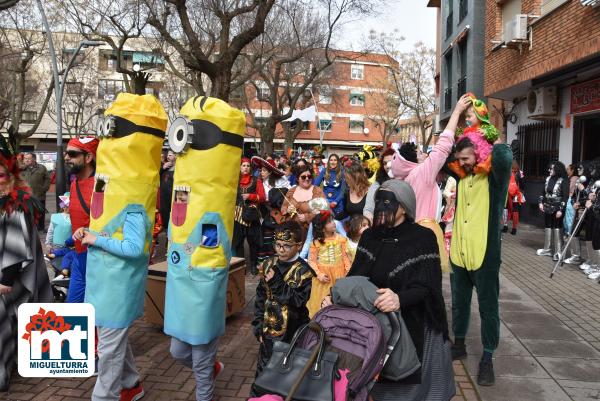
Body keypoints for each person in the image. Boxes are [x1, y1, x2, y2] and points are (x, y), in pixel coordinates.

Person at [325, 179, 454, 400]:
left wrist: (399, 299)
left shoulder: (422, 238)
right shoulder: (369, 236)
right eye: (378, 201)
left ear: (404, 207)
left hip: (413, 324)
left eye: (388, 202)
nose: (381, 207)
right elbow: (355, 275)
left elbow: (429, 286)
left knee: (409, 390)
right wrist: (333, 297)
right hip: (372, 326)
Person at [82, 93, 168, 401]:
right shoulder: (114, 195)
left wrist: (95, 238)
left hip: (117, 288)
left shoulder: (133, 205)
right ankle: (132, 385)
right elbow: (108, 228)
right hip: (105, 286)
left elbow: (135, 248)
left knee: (109, 351)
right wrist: (88, 232)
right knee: (112, 341)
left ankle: (104, 396)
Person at [446, 113, 512, 386]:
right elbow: (446, 149)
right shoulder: (462, 176)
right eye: (459, 160)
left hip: (485, 256)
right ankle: (459, 344)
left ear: (480, 154)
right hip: (460, 253)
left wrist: (485, 132)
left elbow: (505, 156)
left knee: (488, 308)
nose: (461, 164)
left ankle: (487, 357)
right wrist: (459, 122)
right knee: (459, 305)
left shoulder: (495, 180)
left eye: (466, 159)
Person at [390, 95, 471, 273]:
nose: (425, 154)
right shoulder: (421, 173)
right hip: (423, 237)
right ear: (411, 161)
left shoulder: (406, 178)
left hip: (409, 237)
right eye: (420, 152)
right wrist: (456, 111)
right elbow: (443, 145)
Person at [0, 133, 53, 392]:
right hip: (9, 271)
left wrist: (5, 280)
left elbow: (14, 242)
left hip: (12, 276)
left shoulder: (15, 203)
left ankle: (3, 370)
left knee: (6, 319)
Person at [251, 221, 314, 381]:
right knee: (264, 371)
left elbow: (298, 301)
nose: (280, 249)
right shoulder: (268, 264)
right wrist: (258, 325)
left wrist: (277, 282)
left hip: (292, 333)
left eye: (286, 245)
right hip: (269, 330)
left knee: (286, 374)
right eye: (277, 244)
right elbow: (261, 296)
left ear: (298, 246)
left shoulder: (303, 271)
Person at [64, 136, 99, 303]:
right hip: (78, 255)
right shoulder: (74, 184)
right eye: (66, 154)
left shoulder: (102, 186)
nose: (66, 158)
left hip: (96, 257)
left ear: (88, 157)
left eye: (72, 154)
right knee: (74, 309)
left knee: (95, 311)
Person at [306, 210, 351, 317]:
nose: (334, 223)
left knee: (338, 300)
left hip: (339, 276)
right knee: (321, 303)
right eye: (329, 221)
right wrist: (319, 274)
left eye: (333, 220)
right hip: (324, 279)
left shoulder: (341, 240)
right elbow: (312, 261)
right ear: (322, 227)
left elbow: (345, 258)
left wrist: (348, 273)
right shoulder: (316, 243)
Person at [233, 157, 265, 275]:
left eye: (247, 166)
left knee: (253, 242)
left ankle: (253, 266)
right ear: (239, 167)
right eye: (243, 165)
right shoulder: (234, 180)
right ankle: (241, 267)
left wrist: (251, 196)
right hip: (237, 215)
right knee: (238, 243)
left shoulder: (256, 180)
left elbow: (262, 197)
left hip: (251, 215)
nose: (245, 168)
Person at [536, 161, 569, 260]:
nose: (549, 170)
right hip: (547, 206)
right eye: (549, 168)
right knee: (548, 226)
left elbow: (565, 197)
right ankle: (547, 249)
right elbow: (543, 192)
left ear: (557, 170)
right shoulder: (548, 179)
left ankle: (558, 252)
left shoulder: (563, 181)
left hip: (558, 207)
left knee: (557, 227)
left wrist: (560, 209)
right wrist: (540, 202)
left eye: (552, 169)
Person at [281, 164, 324, 237]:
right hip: (291, 232)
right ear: (298, 178)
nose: (307, 179)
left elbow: (323, 211)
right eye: (303, 177)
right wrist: (288, 210)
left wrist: (307, 217)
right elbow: (283, 207)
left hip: (310, 233)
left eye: (309, 176)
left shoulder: (317, 191)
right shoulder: (291, 191)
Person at [364, 147, 395, 222]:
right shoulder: (377, 183)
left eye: (390, 162)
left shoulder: (406, 180)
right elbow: (368, 209)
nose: (387, 166)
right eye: (384, 163)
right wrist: (369, 220)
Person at [21, 152, 50, 230]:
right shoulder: (21, 169)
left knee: (40, 212)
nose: (26, 160)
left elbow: (47, 179)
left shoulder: (42, 168)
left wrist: (44, 189)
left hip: (39, 194)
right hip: (25, 195)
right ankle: (28, 227)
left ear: (34, 159)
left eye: (28, 158)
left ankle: (40, 227)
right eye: (25, 158)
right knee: (27, 212)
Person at [502, 161, 524, 235]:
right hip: (516, 194)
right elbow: (522, 184)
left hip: (506, 194)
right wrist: (520, 193)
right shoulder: (519, 173)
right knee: (515, 211)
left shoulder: (505, 172)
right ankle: (514, 229)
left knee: (505, 210)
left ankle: (505, 226)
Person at [159, 149, 176, 230]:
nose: (168, 156)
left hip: (172, 196)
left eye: (171, 155)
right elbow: (157, 176)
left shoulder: (178, 169)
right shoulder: (164, 167)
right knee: (163, 211)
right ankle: (165, 228)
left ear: (176, 156)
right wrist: (163, 167)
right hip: (163, 196)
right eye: (168, 155)